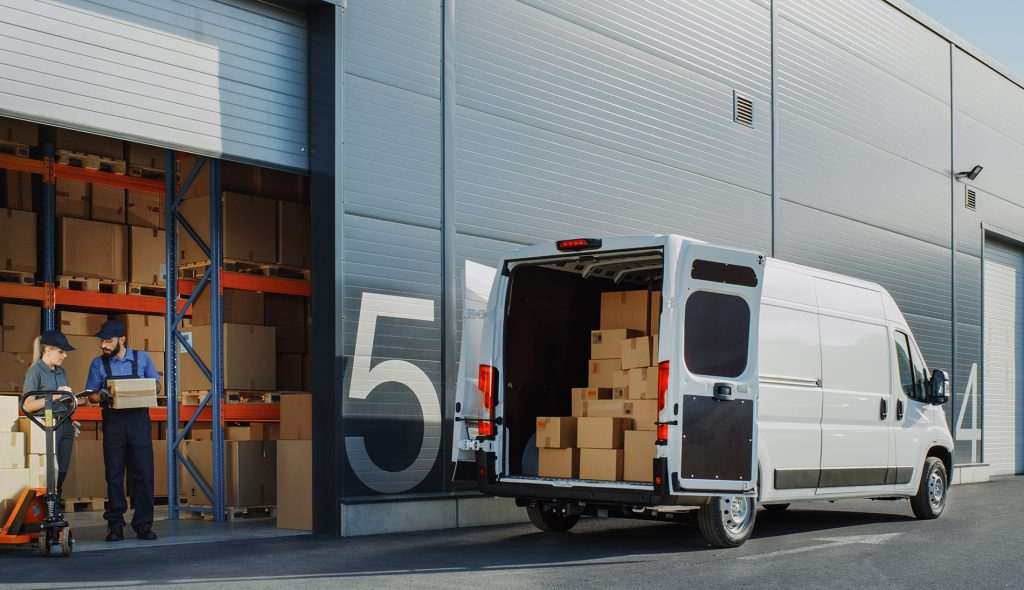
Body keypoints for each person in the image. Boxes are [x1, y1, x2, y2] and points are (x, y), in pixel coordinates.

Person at [85, 319, 161, 542]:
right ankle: (115, 525)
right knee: (114, 475)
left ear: (122, 339)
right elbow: (90, 395)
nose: (103, 345)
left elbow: (157, 387)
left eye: (108, 340)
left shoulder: (142, 359)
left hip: (139, 423)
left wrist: (143, 387)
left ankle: (143, 525)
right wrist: (101, 395)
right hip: (114, 424)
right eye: (102, 341)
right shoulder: (98, 364)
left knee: (144, 474)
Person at [21, 330, 78, 498]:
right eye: (61, 351)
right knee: (51, 468)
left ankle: (56, 500)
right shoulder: (35, 371)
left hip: (65, 423)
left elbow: (62, 399)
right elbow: (27, 406)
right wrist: (55, 396)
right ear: (47, 349)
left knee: (63, 467)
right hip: (48, 425)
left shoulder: (61, 372)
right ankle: (49, 504)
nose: (65, 356)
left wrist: (74, 401)